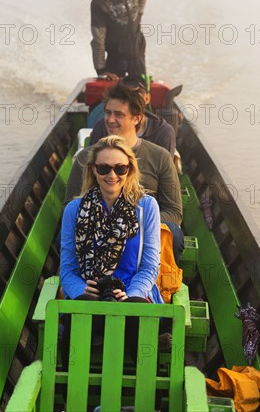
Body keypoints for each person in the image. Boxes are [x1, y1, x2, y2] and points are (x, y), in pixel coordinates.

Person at [60, 136, 163, 374]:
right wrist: (81, 291)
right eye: (104, 168)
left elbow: (149, 267)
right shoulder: (74, 210)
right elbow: (68, 268)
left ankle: (150, 401)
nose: (112, 175)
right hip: (91, 290)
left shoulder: (146, 207)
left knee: (137, 312)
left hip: (132, 290)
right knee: (83, 311)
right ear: (93, 170)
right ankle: (72, 399)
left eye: (120, 168)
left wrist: (131, 293)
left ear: (130, 170)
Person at [65, 84, 184, 265]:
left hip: (144, 228)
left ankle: (155, 282)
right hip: (96, 227)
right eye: (107, 113)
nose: (110, 120)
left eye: (119, 114)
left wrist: (133, 221)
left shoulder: (160, 157)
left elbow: (174, 212)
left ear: (137, 118)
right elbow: (70, 205)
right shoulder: (85, 158)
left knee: (173, 233)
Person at [89, 75, 177, 158]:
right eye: (124, 94)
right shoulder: (102, 127)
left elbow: (165, 170)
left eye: (135, 96)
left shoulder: (163, 132)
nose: (111, 120)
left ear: (146, 99)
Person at [90, 0, 147, 80]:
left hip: (137, 55)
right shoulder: (98, 3)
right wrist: (101, 71)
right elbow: (98, 40)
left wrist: (138, 15)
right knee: (114, 98)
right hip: (115, 60)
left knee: (140, 94)